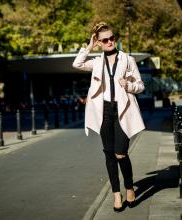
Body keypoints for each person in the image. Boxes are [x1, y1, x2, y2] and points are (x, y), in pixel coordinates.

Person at [72, 22, 145, 212]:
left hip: (122, 111)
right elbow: (77, 63)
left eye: (112, 38)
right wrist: (89, 46)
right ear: (99, 42)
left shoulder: (128, 60)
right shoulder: (96, 62)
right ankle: (116, 194)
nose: (110, 41)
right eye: (105, 40)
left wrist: (128, 85)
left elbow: (140, 85)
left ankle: (129, 187)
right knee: (109, 155)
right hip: (104, 112)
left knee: (121, 153)